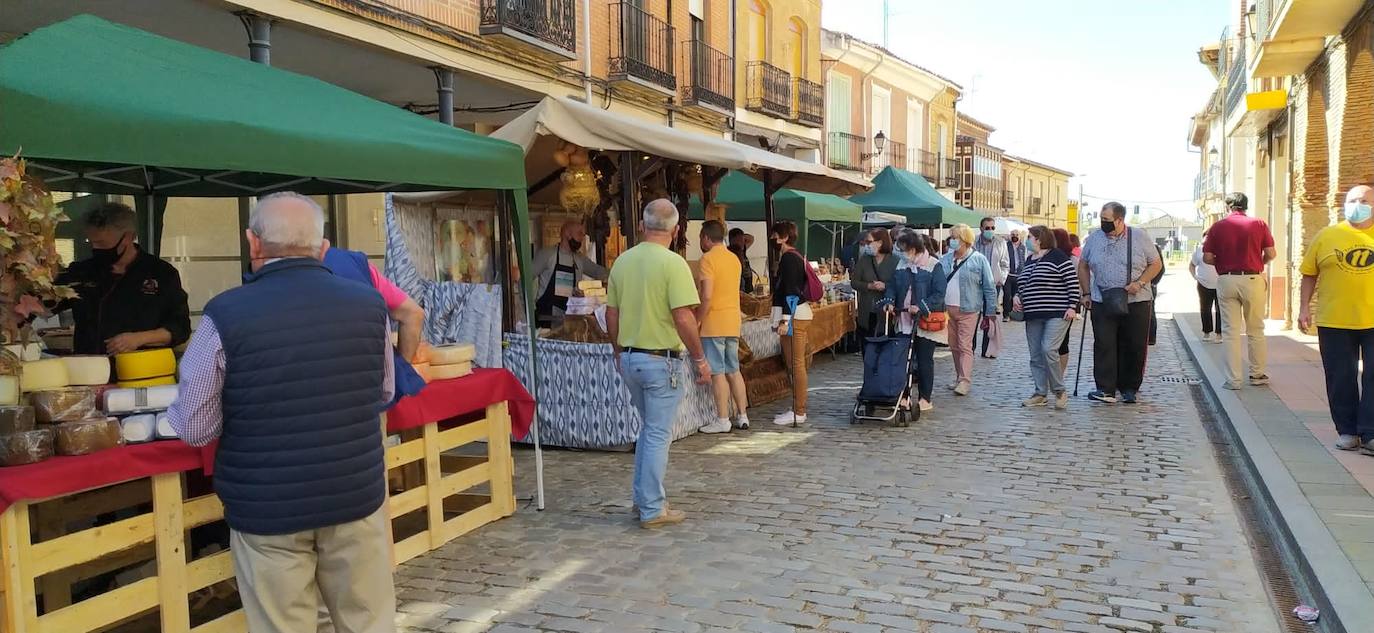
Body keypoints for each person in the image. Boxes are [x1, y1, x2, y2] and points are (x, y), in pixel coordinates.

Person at [167, 193, 395, 633]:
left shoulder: (224, 314)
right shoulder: (370, 306)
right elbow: (382, 390)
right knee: (367, 621)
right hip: (354, 492)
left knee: (282, 625)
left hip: (267, 504)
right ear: (323, 247)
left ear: (253, 243)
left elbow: (195, 427)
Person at [606, 199, 710, 528]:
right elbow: (683, 317)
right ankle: (652, 507)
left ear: (641, 225)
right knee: (656, 435)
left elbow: (612, 313)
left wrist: (618, 350)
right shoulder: (673, 264)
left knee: (648, 431)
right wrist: (699, 358)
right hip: (661, 360)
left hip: (631, 357)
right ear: (677, 230)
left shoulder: (622, 262)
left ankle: (643, 500)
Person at [57, 202, 191, 355]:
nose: (96, 249)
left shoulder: (162, 273)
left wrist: (138, 339)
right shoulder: (80, 271)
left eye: (102, 243)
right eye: (92, 242)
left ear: (129, 237)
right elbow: (44, 303)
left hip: (142, 370)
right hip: (90, 368)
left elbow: (180, 327)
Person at [1298, 185, 1374, 453]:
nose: (1358, 204)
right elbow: (1309, 274)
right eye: (1352, 200)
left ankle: (1370, 433)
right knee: (1340, 377)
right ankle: (1348, 430)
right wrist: (1303, 307)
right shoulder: (1327, 236)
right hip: (1334, 320)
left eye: (1364, 200)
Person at [1078, 202, 1162, 404]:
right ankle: (1105, 388)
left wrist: (1140, 282)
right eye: (1101, 219)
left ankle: (1129, 388)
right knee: (1104, 343)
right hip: (1101, 298)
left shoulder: (1139, 236)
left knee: (1133, 344)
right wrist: (1086, 293)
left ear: (1120, 220)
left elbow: (1156, 263)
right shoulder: (1094, 238)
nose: (1103, 223)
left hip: (1136, 300)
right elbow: (1083, 265)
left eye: (1107, 220)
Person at [323, 248, 428, 404]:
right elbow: (413, 314)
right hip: (372, 397)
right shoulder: (355, 265)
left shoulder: (278, 274)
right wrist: (398, 373)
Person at [1204, 192, 1276, 389]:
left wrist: (1223, 262)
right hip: (1253, 278)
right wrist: (1258, 263)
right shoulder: (1259, 224)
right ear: (1246, 206)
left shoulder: (1217, 227)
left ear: (1228, 207)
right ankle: (1257, 374)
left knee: (1230, 332)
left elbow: (1207, 257)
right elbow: (1271, 253)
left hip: (1227, 279)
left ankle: (1233, 380)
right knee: (1256, 329)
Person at [878, 232, 947, 412]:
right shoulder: (902, 264)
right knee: (903, 360)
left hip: (924, 322)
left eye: (903, 250)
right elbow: (892, 286)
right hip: (904, 319)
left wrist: (921, 306)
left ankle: (925, 397)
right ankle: (904, 395)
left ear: (913, 250)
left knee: (924, 360)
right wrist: (889, 302)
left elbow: (939, 294)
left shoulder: (934, 265)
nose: (899, 253)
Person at [1013, 226, 1080, 410]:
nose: (1027, 240)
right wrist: (1017, 296)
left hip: (1057, 313)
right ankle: (1040, 392)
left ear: (1039, 239)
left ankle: (1059, 390)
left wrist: (1072, 306)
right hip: (1033, 314)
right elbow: (1022, 284)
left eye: (1030, 237)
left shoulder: (1058, 257)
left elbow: (1072, 283)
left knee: (1049, 349)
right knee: (1035, 355)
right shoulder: (1029, 260)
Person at [694, 220, 749, 434]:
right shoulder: (734, 259)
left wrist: (698, 318)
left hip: (714, 322)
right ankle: (742, 415)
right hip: (732, 321)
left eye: (701, 238)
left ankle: (723, 418)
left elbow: (707, 295)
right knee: (734, 370)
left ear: (706, 238)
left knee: (717, 373)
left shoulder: (707, 259)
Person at [940, 224, 997, 396]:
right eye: (951, 237)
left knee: (965, 345)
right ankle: (959, 377)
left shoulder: (978, 259)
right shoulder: (946, 259)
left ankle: (965, 380)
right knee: (954, 346)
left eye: (955, 237)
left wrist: (990, 311)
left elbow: (989, 286)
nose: (952, 241)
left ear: (965, 240)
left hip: (969, 309)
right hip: (947, 309)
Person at [770, 220, 814, 424]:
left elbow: (791, 290)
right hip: (795, 315)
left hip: (794, 317)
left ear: (784, 237)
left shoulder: (789, 258)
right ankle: (797, 407)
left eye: (775, 235)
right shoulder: (791, 257)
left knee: (796, 364)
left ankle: (799, 410)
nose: (772, 239)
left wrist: (785, 320)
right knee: (793, 363)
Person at [533, 219, 607, 327]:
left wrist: (619, 272)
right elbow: (525, 280)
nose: (582, 238)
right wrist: (529, 310)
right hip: (546, 319)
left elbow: (599, 272)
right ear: (567, 234)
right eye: (579, 234)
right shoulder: (547, 255)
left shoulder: (579, 259)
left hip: (571, 319)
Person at [850, 228, 899, 340]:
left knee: (884, 345)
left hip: (886, 312)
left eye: (869, 242)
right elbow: (854, 282)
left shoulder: (895, 261)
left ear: (880, 242)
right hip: (867, 310)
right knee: (866, 344)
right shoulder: (864, 260)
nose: (866, 245)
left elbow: (900, 285)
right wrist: (869, 286)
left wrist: (885, 286)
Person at [974, 217, 1010, 358]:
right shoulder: (974, 242)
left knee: (990, 317)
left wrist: (1001, 278)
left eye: (992, 228)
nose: (990, 230)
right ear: (981, 228)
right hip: (975, 284)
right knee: (973, 316)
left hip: (993, 284)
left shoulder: (1000, 242)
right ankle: (970, 348)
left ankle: (987, 350)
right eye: (987, 228)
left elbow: (1005, 263)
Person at [1052, 228, 1078, 377]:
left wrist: (1074, 304)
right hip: (1047, 305)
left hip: (1065, 306)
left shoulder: (1072, 260)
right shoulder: (1044, 256)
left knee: (1062, 342)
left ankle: (1059, 374)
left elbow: (1076, 283)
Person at [1190, 231, 1223, 344]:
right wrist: (1195, 276)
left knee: (1220, 309)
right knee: (1205, 308)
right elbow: (1192, 265)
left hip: (1220, 284)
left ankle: (1219, 333)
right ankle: (1207, 332)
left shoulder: (1222, 248)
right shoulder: (1199, 250)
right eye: (1206, 238)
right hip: (1203, 284)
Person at [1003, 229, 1029, 322]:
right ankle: (1006, 314)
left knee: (1016, 296)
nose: (1014, 236)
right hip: (1008, 274)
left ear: (1020, 236)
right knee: (1007, 295)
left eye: (1016, 234)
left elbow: (1025, 260)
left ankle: (1014, 314)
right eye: (1013, 234)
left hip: (1019, 275)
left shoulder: (1023, 247)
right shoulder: (1006, 246)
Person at [728, 228, 756, 293]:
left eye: (743, 240)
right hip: (740, 286)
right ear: (732, 240)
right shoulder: (729, 252)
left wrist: (742, 236)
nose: (742, 242)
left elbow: (751, 238)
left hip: (748, 286)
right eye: (739, 240)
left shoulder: (742, 250)